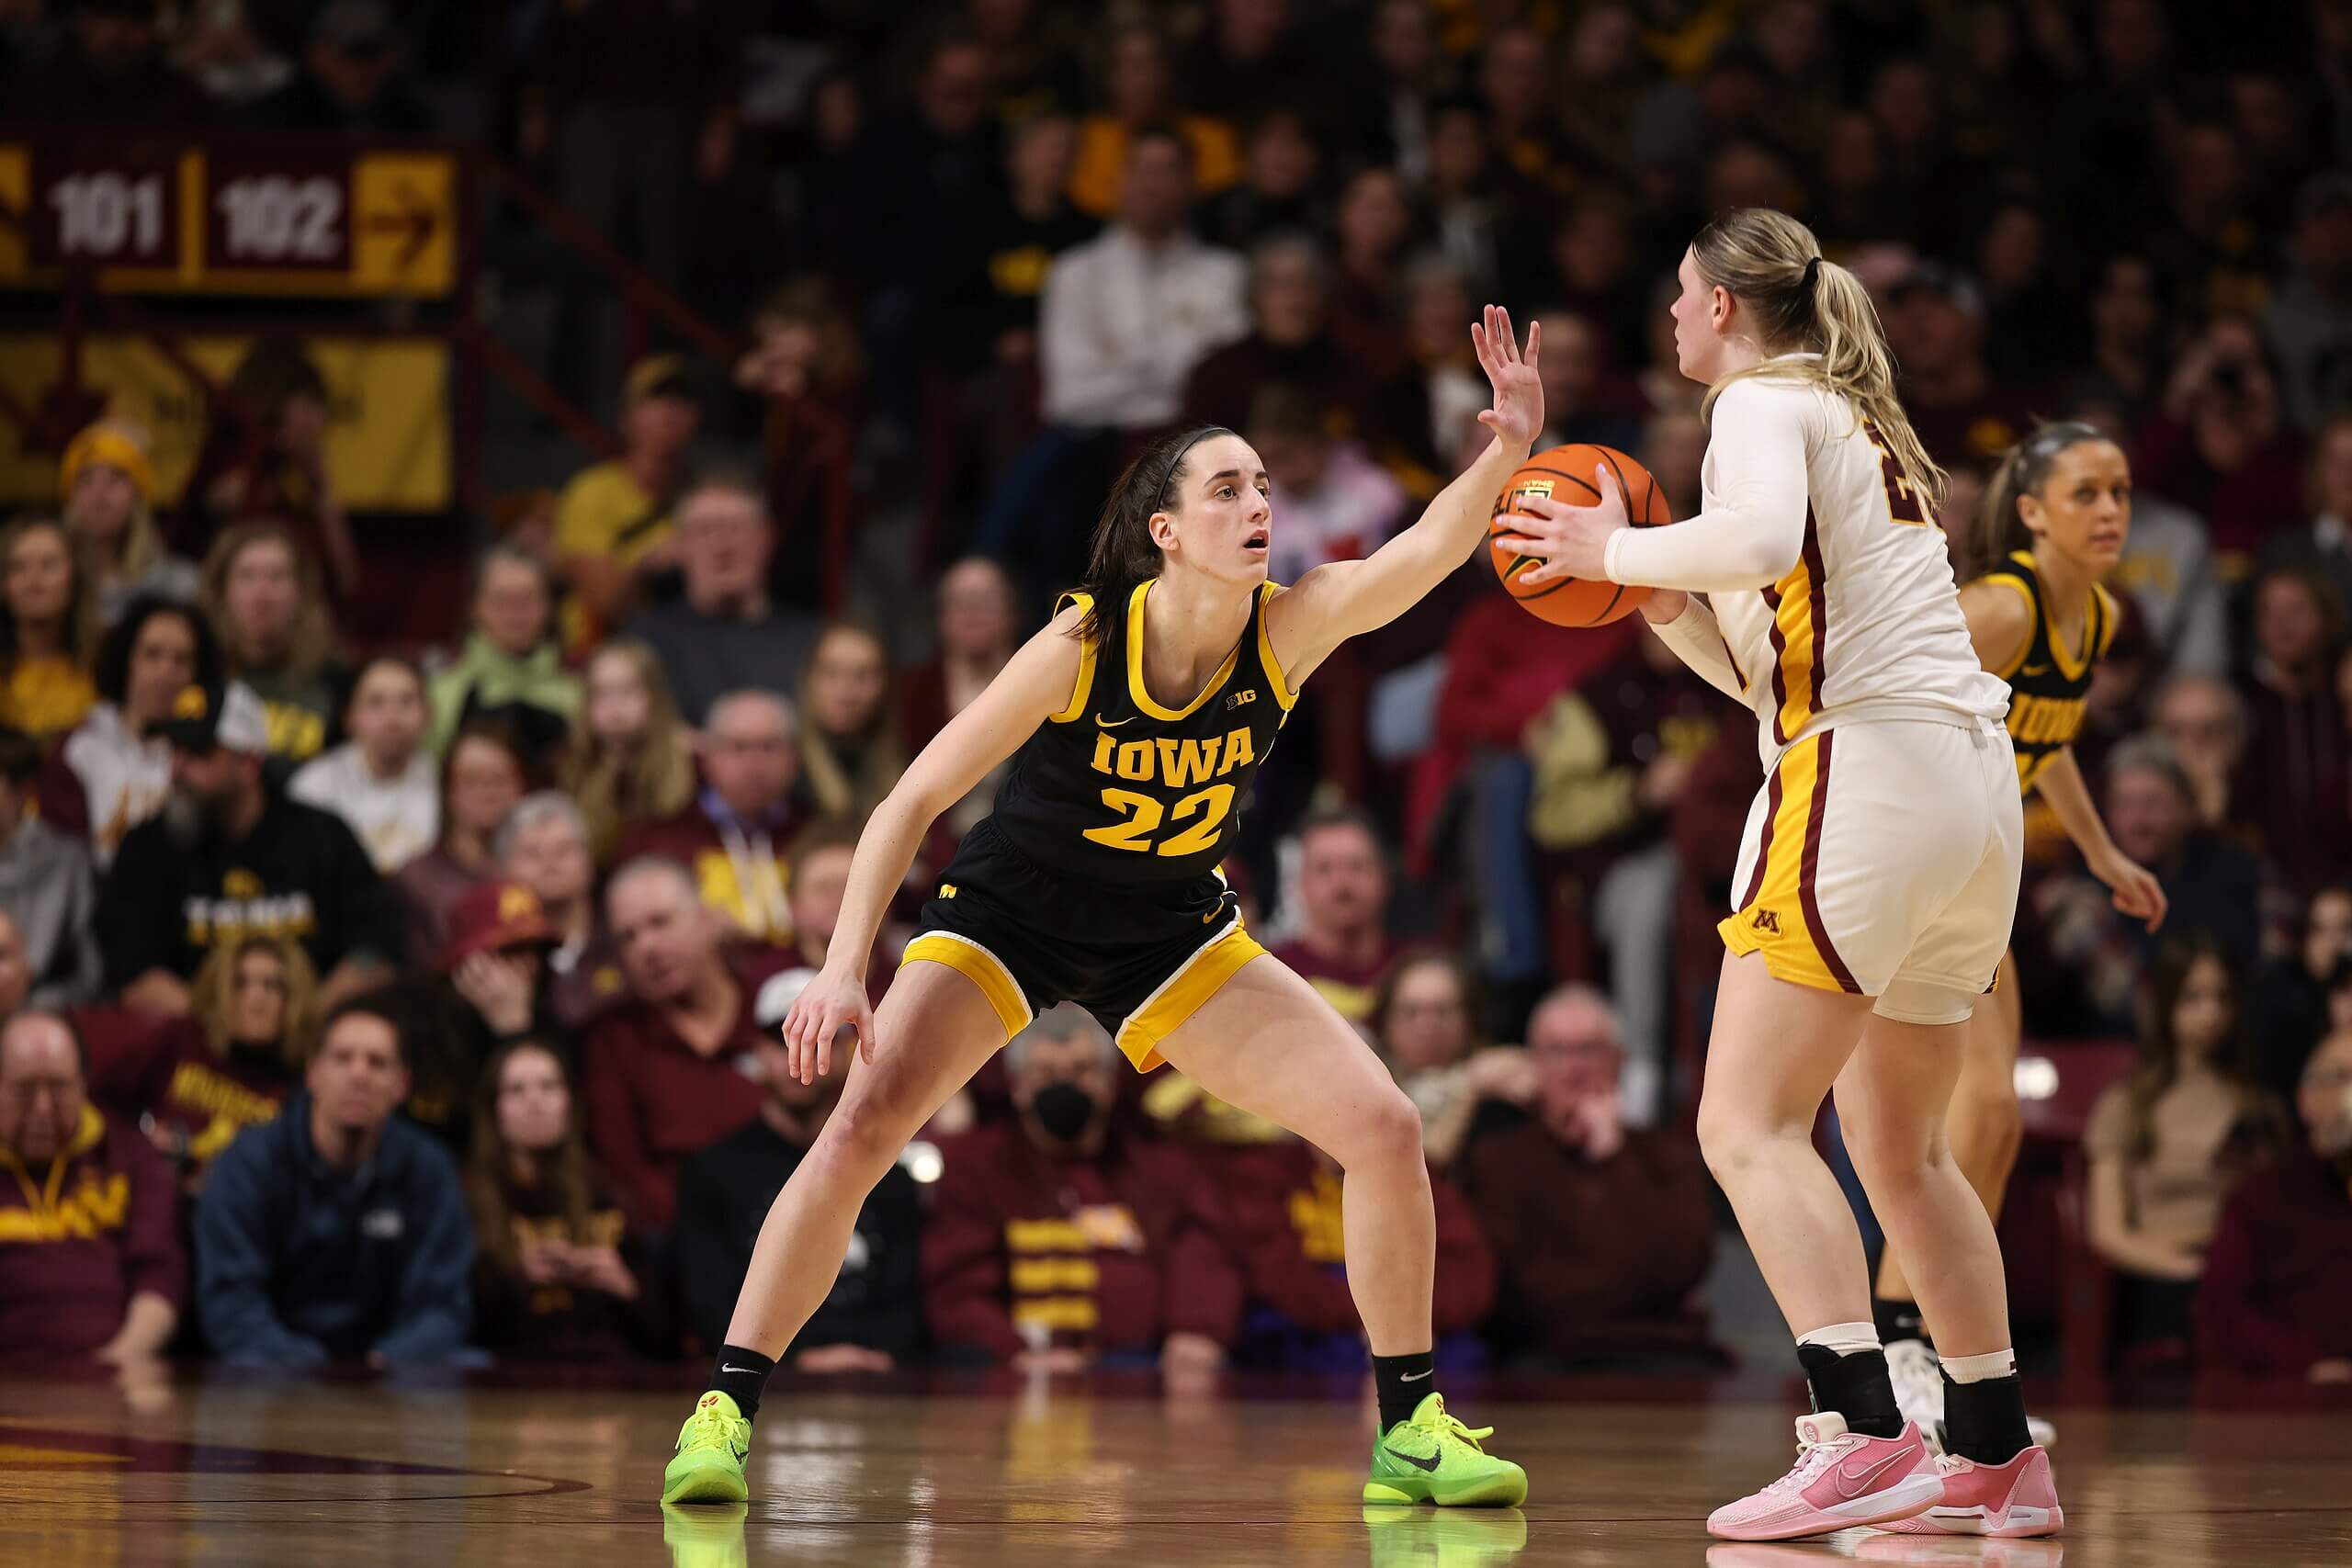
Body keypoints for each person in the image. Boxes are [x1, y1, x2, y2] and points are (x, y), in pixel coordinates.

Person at [664, 305, 1544, 1511]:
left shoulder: (1291, 624)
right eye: (1227, 487)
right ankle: (724, 1405)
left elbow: (1432, 549)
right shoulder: (1084, 639)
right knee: (865, 1120)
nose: (1258, 504)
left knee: (1385, 1124)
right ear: (1166, 529)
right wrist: (838, 965)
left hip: (1170, 925)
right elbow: (912, 796)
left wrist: (1505, 450)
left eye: (1265, 484)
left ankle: (1409, 1427)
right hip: (1013, 909)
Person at [1493, 210, 2057, 1538]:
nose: (1674, 319)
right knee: (1904, 1152)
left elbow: (1743, 545)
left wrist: (1607, 549)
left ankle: (1861, 1429)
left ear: (1732, 308)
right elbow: (1757, 645)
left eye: (1683, 298)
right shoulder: (1850, 419)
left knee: (1741, 1121)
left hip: (1864, 773)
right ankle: (1990, 1444)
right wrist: (1642, 589)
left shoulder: (1758, 400)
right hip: (1968, 792)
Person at [1867, 422, 2169, 1441]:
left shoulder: (2096, 616)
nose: (2110, 511)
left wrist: (2097, 853)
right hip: (1904, 869)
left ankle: (1946, 1363)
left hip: (1968, 886)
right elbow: (1878, 702)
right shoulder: (2000, 607)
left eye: (2120, 491)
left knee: (1990, 1118)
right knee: (1946, 1122)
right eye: (2084, 493)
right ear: (2030, 512)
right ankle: (1899, 1352)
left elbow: (2050, 738)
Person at [921, 1005, 1239, 1371]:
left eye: (1080, 1071)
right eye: (1045, 1073)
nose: (1063, 1084)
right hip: (1022, 1371)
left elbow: (1205, 1250)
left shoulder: (1158, 1168)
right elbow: (957, 1288)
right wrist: (1012, 1352)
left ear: (1108, 1084)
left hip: (1144, 1370)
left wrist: (1197, 1329)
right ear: (1019, 1087)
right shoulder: (978, 1169)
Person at [194, 995, 473, 1367]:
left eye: (377, 1063)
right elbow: (230, 1304)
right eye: (342, 1058)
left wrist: (385, 1363)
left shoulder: (429, 1169)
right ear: (314, 1075)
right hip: (274, 1369)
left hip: (390, 1374)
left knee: (465, 1365)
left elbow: (444, 1306)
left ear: (401, 1084)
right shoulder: (249, 1162)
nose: (359, 1075)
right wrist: (310, 1371)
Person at [97, 680, 401, 1018]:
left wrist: (302, 1019)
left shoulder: (322, 837)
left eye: (199, 754)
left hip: (312, 1042)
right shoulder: (149, 846)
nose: (177, 769)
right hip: (191, 1046)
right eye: (174, 751)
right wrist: (226, 1029)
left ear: (249, 764)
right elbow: (133, 973)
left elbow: (376, 955)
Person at [1457, 987, 1718, 1370]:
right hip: (1538, 1363)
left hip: (1666, 1361)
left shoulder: (1669, 1156)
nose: (1573, 1067)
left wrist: (1613, 1158)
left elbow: (1683, 1267)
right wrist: (1633, 1284)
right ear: (1533, 1064)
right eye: (1556, 1051)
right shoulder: (1498, 1160)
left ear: (1618, 1060)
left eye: (1588, 1049)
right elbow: (1522, 1294)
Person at [677, 971, 922, 1368]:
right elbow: (709, 1304)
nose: (798, 1052)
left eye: (819, 1035)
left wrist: (875, 1356)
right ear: (757, 1052)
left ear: (849, 1048)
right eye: (783, 1039)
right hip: (760, 1381)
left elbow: (909, 1302)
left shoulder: (892, 1179)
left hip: (878, 1382)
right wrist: (800, 1360)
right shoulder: (713, 1173)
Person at [2084, 939, 2285, 1365]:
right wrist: (2188, 1269)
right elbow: (2108, 1231)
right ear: (2165, 1002)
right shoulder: (2128, 1104)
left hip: (2245, 1273)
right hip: (2163, 1277)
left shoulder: (2258, 1105)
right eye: (2193, 997)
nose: (2210, 1012)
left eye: (2222, 997)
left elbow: (2279, 1217)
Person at [584, 858, 781, 1232]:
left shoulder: (773, 1008)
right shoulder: (613, 1039)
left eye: (660, 922)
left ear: (708, 920)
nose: (647, 947)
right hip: (676, 1247)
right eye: (628, 937)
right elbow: (624, 1171)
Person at [0, 1010, 184, 1365]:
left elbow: (159, 1275)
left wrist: (122, 1360)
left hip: (116, 1372)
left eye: (59, 1088)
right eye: (24, 1090)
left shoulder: (129, 1154)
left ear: (84, 1084)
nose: (42, 1109)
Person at [465, 1040, 652, 1359]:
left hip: (607, 1374)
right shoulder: (467, 1197)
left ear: (569, 1100)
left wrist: (622, 1284)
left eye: (548, 1086)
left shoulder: (609, 1193)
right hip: (504, 1376)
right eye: (516, 1090)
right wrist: (518, 1277)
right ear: (494, 1108)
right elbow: (457, 1319)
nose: (534, 1101)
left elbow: (664, 1329)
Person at [2197, 1029, 2352, 1382]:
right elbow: (2224, 1308)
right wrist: (2308, 1363)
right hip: (2296, 1396)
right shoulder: (2264, 1194)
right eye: (2341, 1077)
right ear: (2305, 1098)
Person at [622, 473, 820, 727]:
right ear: (680, 544)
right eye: (705, 530)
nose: (722, 547)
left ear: (766, 539)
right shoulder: (643, 644)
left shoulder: (814, 644)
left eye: (736, 528)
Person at [39, 596, 214, 870]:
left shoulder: (212, 752)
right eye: (152, 655)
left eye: (182, 660)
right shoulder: (81, 745)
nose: (166, 673)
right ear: (126, 659)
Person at [617, 692, 801, 946]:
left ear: (793, 757)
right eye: (739, 747)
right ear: (708, 756)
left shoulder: (816, 835)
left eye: (769, 747)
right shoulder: (660, 840)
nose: (754, 763)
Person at [140, 934, 316, 1180]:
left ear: (294, 998)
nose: (256, 1000)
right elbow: (107, 1102)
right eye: (240, 983)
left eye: (272, 985)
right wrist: (138, 1140)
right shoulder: (182, 1039)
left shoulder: (304, 1083)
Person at [553, 356, 699, 653]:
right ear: (625, 420)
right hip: (603, 650)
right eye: (655, 400)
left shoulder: (703, 496)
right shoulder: (591, 492)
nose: (670, 412)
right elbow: (604, 603)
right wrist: (647, 565)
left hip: (683, 647)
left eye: (681, 401)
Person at [1373, 953, 1538, 1169]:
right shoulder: (1370, 1090)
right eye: (1410, 1012)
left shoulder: (1501, 1077)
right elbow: (1426, 1160)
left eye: (1443, 1012)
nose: (1426, 1027)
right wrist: (1470, 1088)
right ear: (1386, 1024)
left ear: (1470, 1019)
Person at [200, 523, 342, 770]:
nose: (262, 594)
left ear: (302, 592)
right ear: (222, 590)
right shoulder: (196, 673)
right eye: (247, 576)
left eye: (277, 577)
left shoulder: (336, 682)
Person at [426, 546, 582, 766]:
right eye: (501, 599)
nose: (516, 612)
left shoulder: (581, 694)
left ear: (548, 607)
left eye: (528, 598)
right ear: (476, 608)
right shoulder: (440, 696)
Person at [899, 558, 1021, 835]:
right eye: (961, 601)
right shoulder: (910, 691)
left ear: (1013, 612)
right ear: (941, 616)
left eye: (986, 600)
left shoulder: (1046, 685)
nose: (973, 611)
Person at [392, 720, 527, 968]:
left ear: (519, 788)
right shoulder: (417, 879)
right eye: (473, 781)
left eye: (499, 780)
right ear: (449, 792)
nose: (487, 792)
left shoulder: (538, 869)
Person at [288, 656, 439, 875]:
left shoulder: (444, 780)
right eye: (376, 703)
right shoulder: (313, 787)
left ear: (428, 715)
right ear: (350, 718)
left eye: (406, 701)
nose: (392, 717)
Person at [560, 640, 697, 866]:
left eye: (629, 690)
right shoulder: (571, 769)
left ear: (656, 697)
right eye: (601, 693)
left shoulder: (694, 766)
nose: (615, 707)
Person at [57, 418, 199, 624]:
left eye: (115, 479)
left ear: (139, 496)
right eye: (85, 481)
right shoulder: (52, 587)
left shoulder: (180, 588)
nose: (99, 495)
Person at [1268, 808, 1401, 1028]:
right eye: (1324, 869)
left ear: (1383, 878)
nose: (1342, 883)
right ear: (1300, 884)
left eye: (1357, 867)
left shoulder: (1414, 971)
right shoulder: (1272, 971)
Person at [0, 726, 100, 1008]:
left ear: (24, 791)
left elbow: (91, 973)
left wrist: (45, 1006)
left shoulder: (67, 859)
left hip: (41, 1015)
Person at [0, 515, 100, 745]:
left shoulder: (105, 666)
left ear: (75, 578)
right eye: (18, 567)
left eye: (49, 565)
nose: (33, 580)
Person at [797, 625, 903, 826]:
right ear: (809, 679)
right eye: (832, 673)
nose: (846, 692)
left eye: (863, 675)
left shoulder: (909, 765)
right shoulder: (784, 769)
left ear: (886, 685)